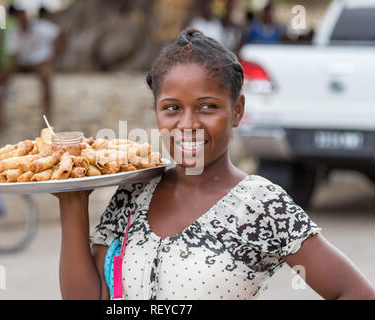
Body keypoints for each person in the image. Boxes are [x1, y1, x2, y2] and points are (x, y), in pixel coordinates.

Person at [54, 28, 375, 300]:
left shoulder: (261, 205)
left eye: (207, 107)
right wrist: (72, 200)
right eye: (172, 108)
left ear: (237, 110)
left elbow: (353, 292)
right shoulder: (135, 192)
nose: (188, 123)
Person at [0, 6, 64, 128]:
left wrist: (53, 56)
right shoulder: (14, 31)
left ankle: (47, 116)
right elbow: (13, 54)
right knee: (0, 80)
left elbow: (61, 36)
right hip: (23, 63)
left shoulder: (42, 27)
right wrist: (12, 67)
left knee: (46, 77)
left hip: (40, 61)